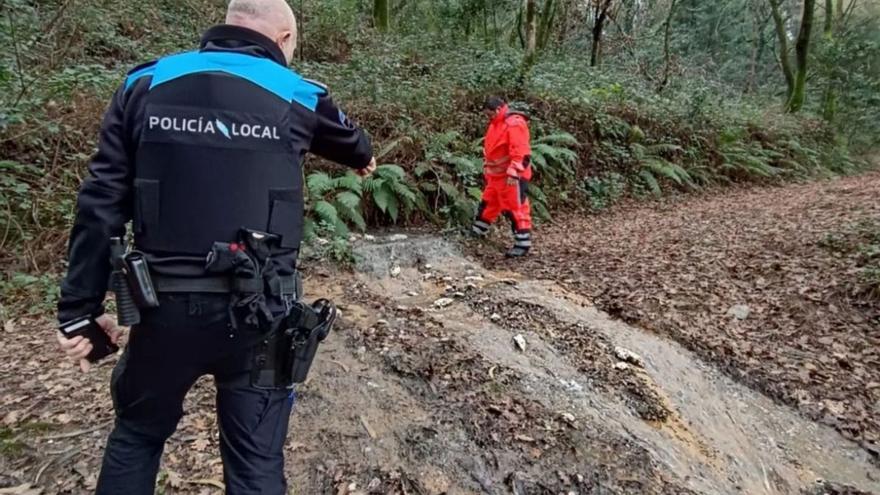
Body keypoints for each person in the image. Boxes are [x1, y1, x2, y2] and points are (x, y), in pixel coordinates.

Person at [55, 0, 375, 493]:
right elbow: (356, 144)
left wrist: (79, 309)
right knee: (256, 466)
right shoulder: (296, 92)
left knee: (137, 437)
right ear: (284, 39)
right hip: (260, 315)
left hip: (161, 310)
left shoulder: (145, 84)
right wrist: (361, 160)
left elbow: (101, 202)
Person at [471, 96, 533, 257]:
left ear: (497, 109)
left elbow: (520, 151)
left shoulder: (514, 124)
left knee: (515, 208)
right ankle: (477, 232)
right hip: (497, 176)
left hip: (511, 176)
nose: (487, 117)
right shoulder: (496, 123)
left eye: (488, 114)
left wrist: (514, 172)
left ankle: (522, 243)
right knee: (488, 203)